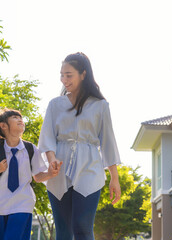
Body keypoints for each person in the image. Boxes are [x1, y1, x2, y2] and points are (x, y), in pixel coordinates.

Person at [38, 52, 121, 240]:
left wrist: (114, 178)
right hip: (59, 170)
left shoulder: (100, 106)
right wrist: (51, 161)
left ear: (83, 74)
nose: (64, 80)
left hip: (89, 168)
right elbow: (47, 138)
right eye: (62, 75)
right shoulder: (55, 104)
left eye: (69, 75)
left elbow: (108, 141)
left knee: (83, 228)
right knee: (64, 231)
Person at [0, 109, 61, 240]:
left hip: (23, 204)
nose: (20, 120)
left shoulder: (30, 149)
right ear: (3, 126)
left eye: (21, 118)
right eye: (14, 117)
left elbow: (37, 176)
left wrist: (50, 174)